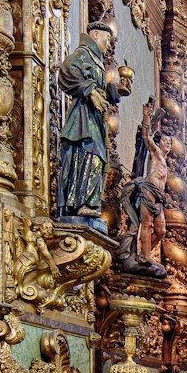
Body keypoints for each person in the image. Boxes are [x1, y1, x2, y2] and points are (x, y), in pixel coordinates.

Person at [57, 21, 122, 226]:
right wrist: (90, 90)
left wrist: (114, 90)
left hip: (95, 117)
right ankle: (81, 202)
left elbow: (106, 93)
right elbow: (67, 70)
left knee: (98, 157)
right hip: (83, 117)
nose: (108, 44)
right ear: (95, 35)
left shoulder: (98, 61)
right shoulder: (84, 52)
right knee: (90, 153)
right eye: (106, 39)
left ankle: (89, 203)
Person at [120, 100, 174, 269]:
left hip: (158, 197)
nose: (168, 144)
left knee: (161, 230)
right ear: (159, 143)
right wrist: (146, 117)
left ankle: (145, 254)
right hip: (148, 191)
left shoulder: (164, 160)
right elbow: (146, 136)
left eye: (170, 142)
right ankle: (145, 256)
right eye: (165, 141)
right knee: (147, 224)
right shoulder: (156, 153)